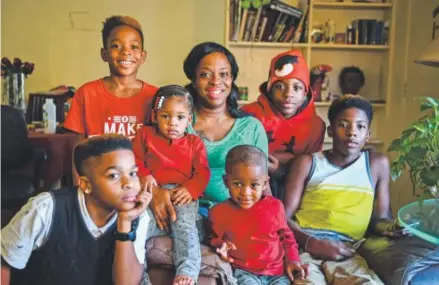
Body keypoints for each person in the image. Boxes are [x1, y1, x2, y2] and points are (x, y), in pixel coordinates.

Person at [148, 42, 269, 234]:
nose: (215, 81)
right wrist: (154, 192)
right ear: (194, 80)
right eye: (205, 74)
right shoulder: (176, 123)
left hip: (234, 217)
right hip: (181, 213)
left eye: (223, 74)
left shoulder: (251, 128)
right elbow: (150, 164)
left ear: (232, 79)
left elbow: (262, 186)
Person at [1, 135, 151, 285]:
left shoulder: (136, 215)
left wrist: (124, 224)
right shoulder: (47, 208)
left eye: (133, 173)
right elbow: (3, 261)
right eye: (114, 176)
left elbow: (126, 283)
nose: (129, 184)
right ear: (86, 184)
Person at [284, 95, 390, 284]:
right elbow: (282, 218)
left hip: (348, 251)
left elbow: (379, 220)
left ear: (368, 134)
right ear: (330, 130)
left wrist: (392, 228)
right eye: (343, 125)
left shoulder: (377, 165)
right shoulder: (307, 163)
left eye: (360, 126)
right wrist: (311, 243)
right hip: (306, 247)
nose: (352, 133)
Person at [132, 85, 210, 285]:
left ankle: (187, 271)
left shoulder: (194, 143)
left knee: (184, 226)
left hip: (181, 194)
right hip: (150, 193)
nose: (172, 123)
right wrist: (145, 176)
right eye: (165, 116)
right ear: (155, 116)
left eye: (180, 117)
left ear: (189, 119)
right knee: (139, 226)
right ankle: (139, 276)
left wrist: (190, 189)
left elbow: (202, 172)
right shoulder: (144, 135)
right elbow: (135, 160)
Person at [209, 145, 308, 285]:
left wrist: (293, 260)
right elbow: (213, 239)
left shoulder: (275, 207)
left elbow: (287, 238)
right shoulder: (218, 212)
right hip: (244, 272)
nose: (245, 193)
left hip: (278, 273)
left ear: (265, 183)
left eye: (254, 185)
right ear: (226, 181)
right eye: (237, 184)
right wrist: (221, 246)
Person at [241, 50, 325, 200]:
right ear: (270, 89)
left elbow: (312, 169)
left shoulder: (316, 125)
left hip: (295, 187)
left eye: (297, 88)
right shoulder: (250, 115)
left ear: (306, 92)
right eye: (279, 86)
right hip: (249, 184)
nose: (288, 94)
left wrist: (281, 170)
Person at [64, 15, 158, 140]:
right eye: (116, 46)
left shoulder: (156, 97)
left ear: (143, 56)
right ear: (104, 54)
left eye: (134, 47)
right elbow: (77, 150)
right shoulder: (86, 94)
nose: (125, 52)